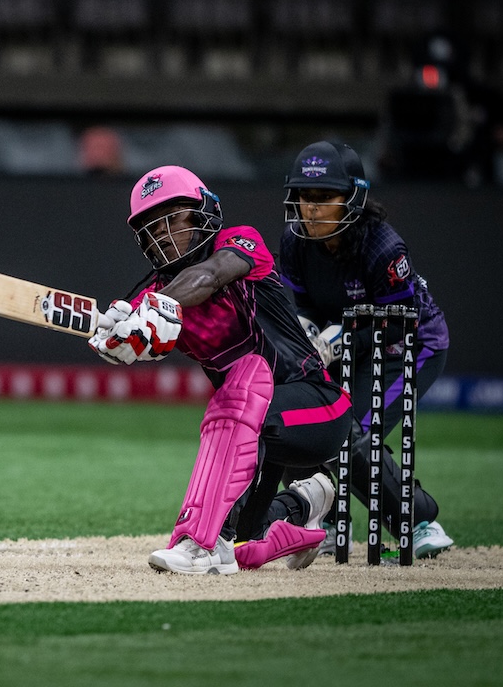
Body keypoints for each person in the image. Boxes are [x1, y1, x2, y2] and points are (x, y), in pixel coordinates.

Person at [89, 165, 356, 575]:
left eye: (172, 218)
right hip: (256, 440)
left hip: (318, 406)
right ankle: (307, 504)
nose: (161, 233)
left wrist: (151, 310)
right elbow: (147, 337)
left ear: (202, 214)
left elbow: (208, 276)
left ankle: (198, 543)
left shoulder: (238, 242)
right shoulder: (153, 296)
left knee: (236, 394)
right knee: (245, 547)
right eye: (149, 227)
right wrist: (120, 338)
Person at [279, 141, 454, 558]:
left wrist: (344, 334)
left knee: (350, 432)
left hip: (409, 345)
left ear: (353, 198)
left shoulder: (382, 246)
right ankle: (330, 525)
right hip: (347, 345)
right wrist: (310, 330)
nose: (311, 208)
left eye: (324, 198)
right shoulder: (294, 242)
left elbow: (400, 320)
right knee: (297, 424)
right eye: (305, 196)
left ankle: (421, 522)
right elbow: (304, 304)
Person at [378, 31, 503, 187]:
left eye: (449, 75)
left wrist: (485, 134)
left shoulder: (483, 99)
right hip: (410, 180)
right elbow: (386, 151)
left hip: (465, 182)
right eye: (429, 72)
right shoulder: (404, 100)